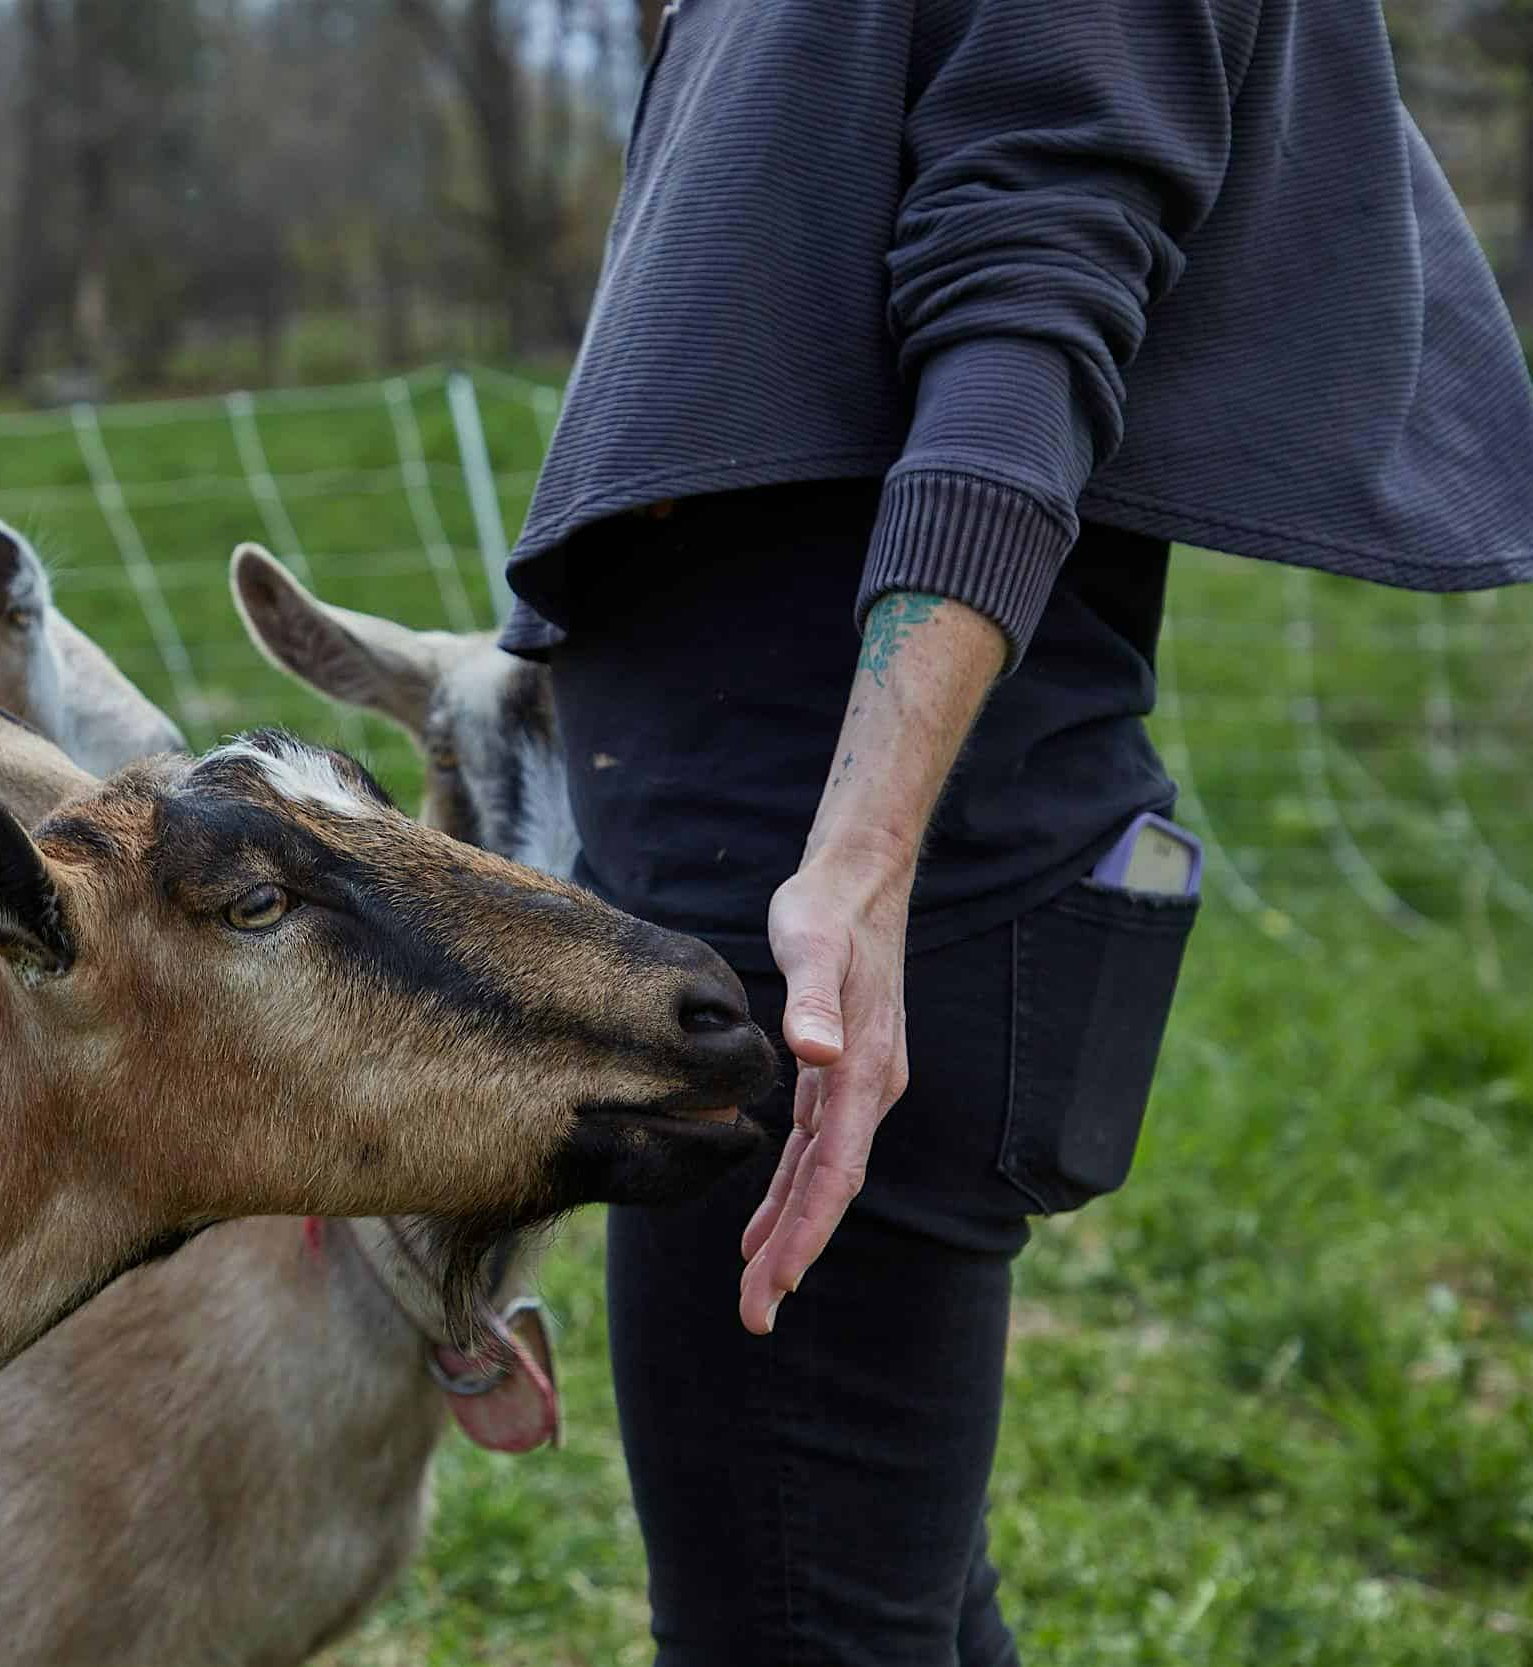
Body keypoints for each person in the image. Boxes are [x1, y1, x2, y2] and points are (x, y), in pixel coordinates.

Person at [498, 3, 1533, 1663]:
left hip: (834, 906)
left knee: (798, 1625)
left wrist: (859, 866)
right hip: (758, 872)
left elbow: (1033, 305)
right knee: (855, 1597)